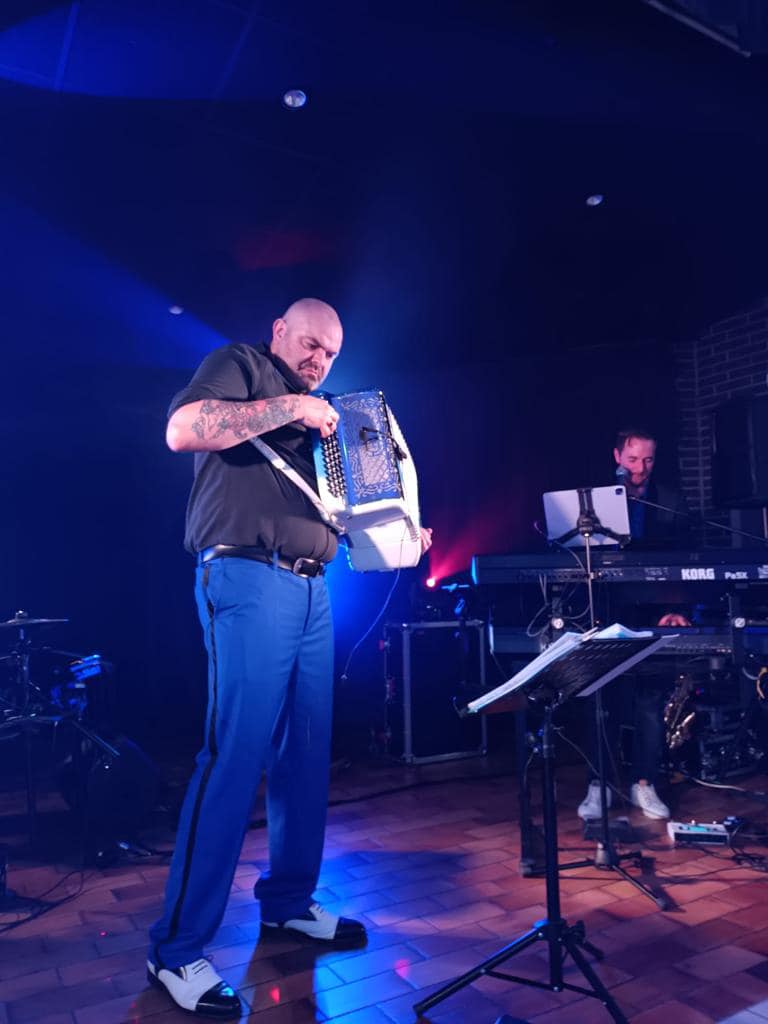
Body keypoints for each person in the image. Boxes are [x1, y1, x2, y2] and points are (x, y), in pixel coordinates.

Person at [148, 298, 432, 1019]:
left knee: (306, 757)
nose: (317, 360)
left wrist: (401, 537)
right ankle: (176, 950)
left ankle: (289, 904)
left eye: (329, 355)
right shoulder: (241, 366)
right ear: (279, 331)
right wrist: (291, 407)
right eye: (309, 344)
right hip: (244, 578)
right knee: (234, 756)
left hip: (313, 591)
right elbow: (183, 430)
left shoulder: (326, 418)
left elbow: (345, 519)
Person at [578, 426, 691, 824]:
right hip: (607, 611)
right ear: (617, 458)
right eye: (632, 460)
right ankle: (599, 784)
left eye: (647, 460)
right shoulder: (594, 503)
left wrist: (677, 606)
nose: (640, 468)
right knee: (602, 704)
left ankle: (643, 783)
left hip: (654, 612)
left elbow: (684, 557)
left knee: (648, 704)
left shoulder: (671, 500)